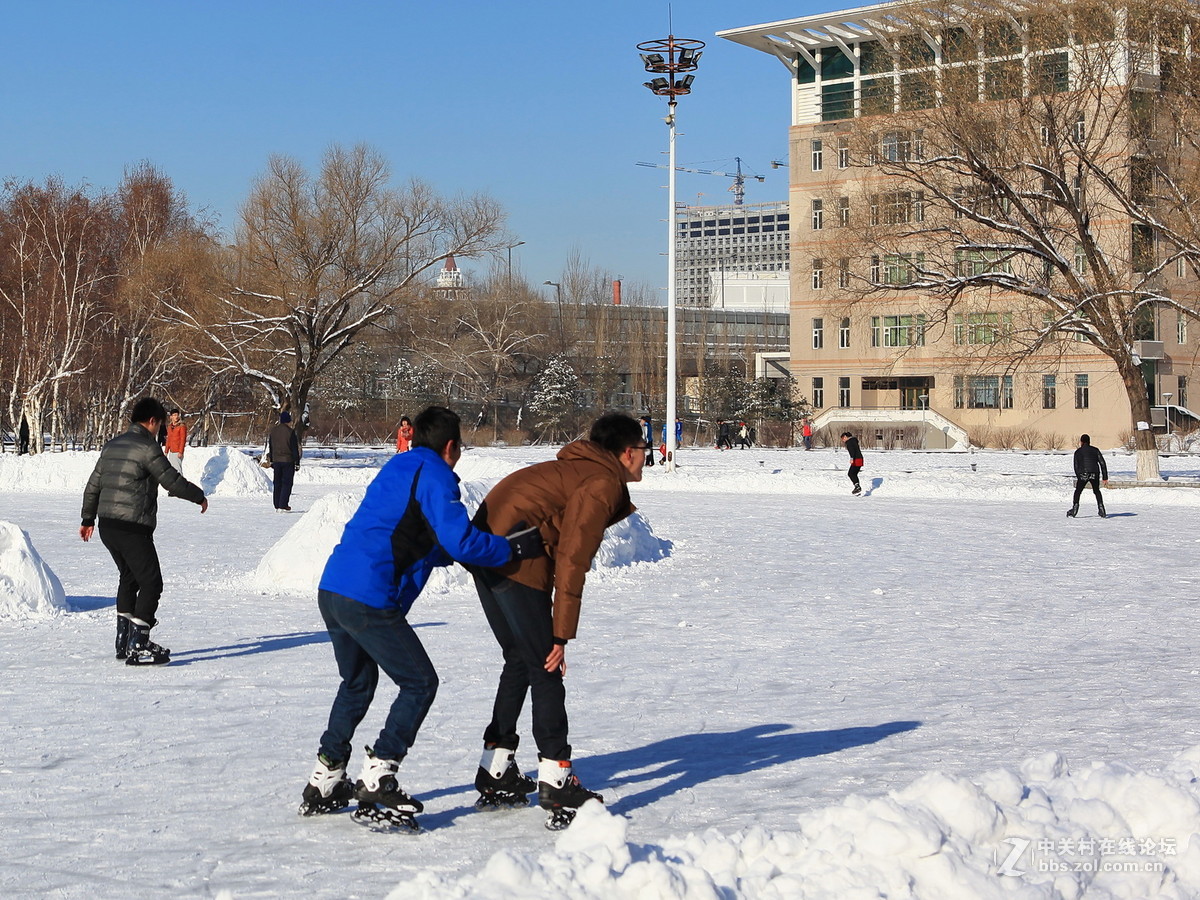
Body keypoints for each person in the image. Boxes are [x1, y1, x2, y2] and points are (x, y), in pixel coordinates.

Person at [298, 406, 542, 830]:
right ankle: (379, 773)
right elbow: (459, 541)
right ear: (451, 447)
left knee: (357, 683)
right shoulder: (435, 475)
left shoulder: (400, 466)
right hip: (369, 596)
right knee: (419, 682)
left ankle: (326, 778)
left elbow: (418, 537)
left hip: (334, 587)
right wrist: (510, 549)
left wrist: (460, 550)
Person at [469, 412, 645, 829]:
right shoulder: (601, 482)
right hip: (514, 559)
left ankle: (496, 768)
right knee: (546, 665)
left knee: (520, 658)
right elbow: (572, 558)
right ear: (626, 452)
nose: (646, 458)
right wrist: (560, 635)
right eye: (644, 450)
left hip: (489, 553)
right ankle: (556, 776)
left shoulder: (579, 470)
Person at [80, 397, 208, 665]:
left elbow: (93, 485)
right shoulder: (147, 447)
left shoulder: (112, 445)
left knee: (129, 578)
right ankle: (138, 643)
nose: (159, 430)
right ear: (152, 421)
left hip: (108, 525)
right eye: (159, 424)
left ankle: (124, 640)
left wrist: (88, 518)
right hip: (133, 527)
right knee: (151, 582)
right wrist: (198, 496)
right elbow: (171, 480)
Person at [1068, 433, 1108, 518]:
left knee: (1078, 491)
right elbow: (1102, 463)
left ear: (1081, 442)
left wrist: (1079, 476)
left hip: (1083, 474)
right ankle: (1102, 509)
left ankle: (1074, 510)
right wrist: (1105, 477)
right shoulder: (1095, 450)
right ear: (1089, 441)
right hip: (1094, 473)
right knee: (1096, 491)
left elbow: (1076, 466)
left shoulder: (1078, 452)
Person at [268, 411, 301, 512]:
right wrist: (297, 462)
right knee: (287, 483)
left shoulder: (273, 431)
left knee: (277, 483)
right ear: (288, 421)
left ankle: (277, 504)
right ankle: (283, 504)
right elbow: (294, 448)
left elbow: (271, 447)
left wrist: (271, 460)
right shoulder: (290, 432)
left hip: (276, 461)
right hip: (288, 461)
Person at [164, 408, 187, 472]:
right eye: (174, 415)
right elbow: (168, 439)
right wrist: (166, 451)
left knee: (178, 470)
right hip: (171, 451)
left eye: (177, 415)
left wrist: (180, 452)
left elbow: (183, 440)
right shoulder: (169, 427)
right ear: (171, 417)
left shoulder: (181, 426)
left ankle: (181, 479)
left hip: (177, 451)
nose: (176, 417)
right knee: (172, 470)